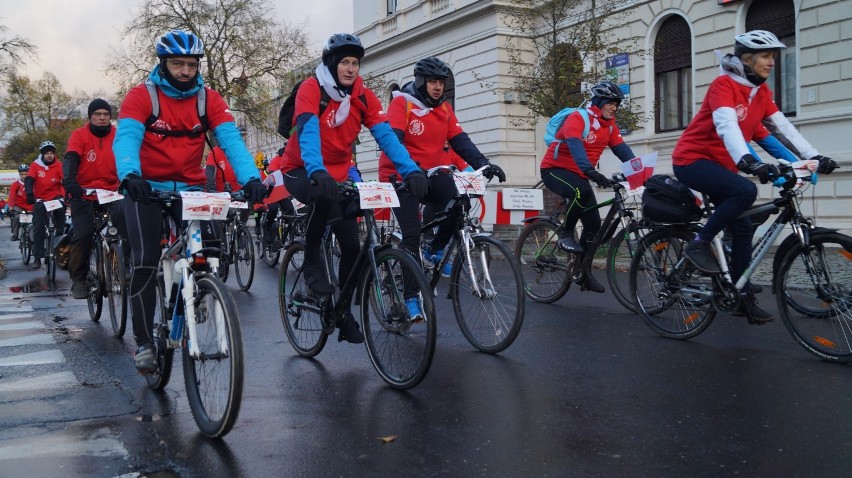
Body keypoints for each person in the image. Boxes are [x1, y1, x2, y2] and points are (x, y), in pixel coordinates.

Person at [113, 30, 266, 374]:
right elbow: (126, 138)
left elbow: (231, 139)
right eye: (177, 63)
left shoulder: (209, 99)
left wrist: (252, 178)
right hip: (146, 188)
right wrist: (130, 175)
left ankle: (197, 291)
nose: (185, 70)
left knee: (208, 251)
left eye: (191, 64)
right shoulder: (141, 97)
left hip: (191, 187)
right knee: (146, 258)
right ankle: (143, 342)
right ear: (163, 64)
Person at [672, 30, 837, 323]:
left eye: (773, 56)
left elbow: (779, 130)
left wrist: (810, 158)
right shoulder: (723, 85)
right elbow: (727, 126)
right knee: (744, 192)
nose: (772, 62)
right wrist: (748, 162)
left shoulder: (760, 94)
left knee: (744, 227)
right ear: (747, 59)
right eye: (765, 56)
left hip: (723, 167)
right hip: (692, 161)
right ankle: (699, 243)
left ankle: (741, 295)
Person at [280, 33, 427, 343]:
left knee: (351, 245)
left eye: (355, 63)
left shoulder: (362, 96)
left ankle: (343, 313)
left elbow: (386, 135)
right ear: (332, 64)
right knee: (321, 196)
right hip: (301, 169)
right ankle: (310, 261)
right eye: (344, 62)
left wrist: (410, 169)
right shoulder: (312, 89)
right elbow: (307, 132)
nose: (350, 68)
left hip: (338, 173)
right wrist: (317, 170)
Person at [378, 57, 505, 304]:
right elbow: (394, 141)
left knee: (460, 202)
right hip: (400, 175)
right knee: (411, 234)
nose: (438, 87)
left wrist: (483, 163)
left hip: (432, 173)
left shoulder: (444, 108)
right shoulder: (402, 104)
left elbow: (460, 139)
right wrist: (411, 170)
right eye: (433, 82)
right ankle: (411, 297)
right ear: (421, 81)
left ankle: (434, 250)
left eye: (441, 82)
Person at [539, 80, 637, 293]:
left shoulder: (609, 125)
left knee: (594, 226)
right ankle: (565, 234)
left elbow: (623, 150)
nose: (615, 107)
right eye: (611, 103)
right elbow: (575, 146)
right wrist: (591, 171)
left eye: (617, 104)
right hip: (555, 170)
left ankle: (582, 271)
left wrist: (639, 172)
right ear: (600, 101)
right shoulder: (578, 118)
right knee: (579, 191)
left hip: (580, 174)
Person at [63, 99, 127, 299]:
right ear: (90, 117)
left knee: (127, 222)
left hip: (112, 191)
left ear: (110, 117)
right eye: (97, 114)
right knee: (83, 233)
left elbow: (129, 157)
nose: (102, 118)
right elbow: (71, 159)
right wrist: (70, 181)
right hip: (84, 193)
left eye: (106, 114)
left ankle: (129, 265)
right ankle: (79, 279)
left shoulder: (118, 135)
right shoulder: (79, 135)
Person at [25, 141, 66, 270]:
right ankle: (37, 258)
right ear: (42, 155)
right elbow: (29, 180)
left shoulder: (59, 165)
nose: (49, 156)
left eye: (51, 153)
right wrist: (30, 194)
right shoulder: (35, 165)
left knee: (61, 219)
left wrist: (67, 196)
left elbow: (64, 180)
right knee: (38, 228)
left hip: (55, 198)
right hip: (40, 200)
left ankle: (59, 244)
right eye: (47, 153)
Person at [8, 165, 33, 241]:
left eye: (26, 174)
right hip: (19, 206)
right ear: (19, 174)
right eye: (22, 174)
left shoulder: (33, 183)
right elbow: (12, 196)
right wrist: (11, 207)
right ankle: (15, 234)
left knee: (37, 218)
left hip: (31, 205)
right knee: (17, 217)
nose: (24, 176)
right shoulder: (15, 184)